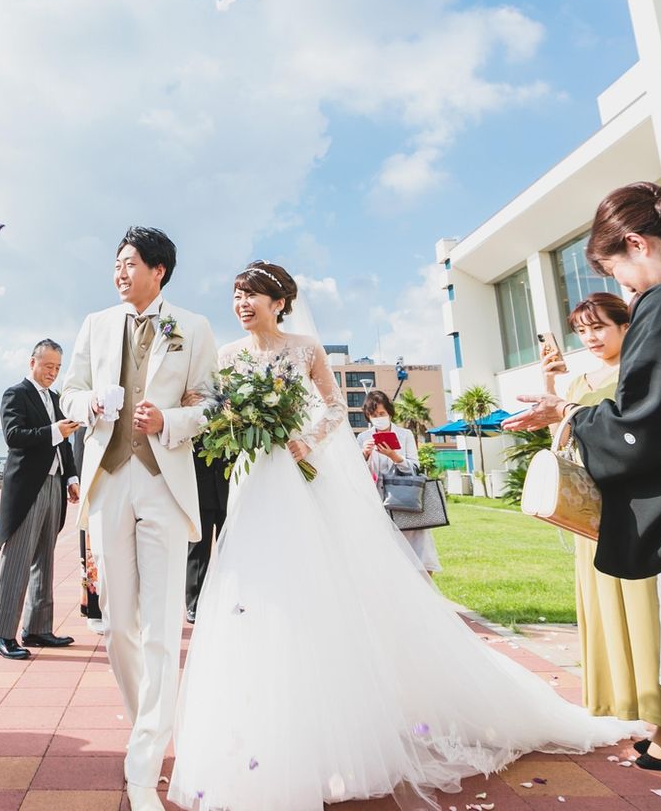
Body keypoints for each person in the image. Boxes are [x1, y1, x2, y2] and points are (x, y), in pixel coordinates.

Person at [170, 261, 636, 811]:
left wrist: (305, 440)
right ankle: (257, 730)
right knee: (253, 592)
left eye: (252, 295)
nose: (242, 304)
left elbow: (334, 408)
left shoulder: (305, 349)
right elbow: (217, 409)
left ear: (279, 302)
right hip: (254, 482)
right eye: (236, 295)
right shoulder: (229, 356)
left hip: (301, 476)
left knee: (318, 586)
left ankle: (335, 725)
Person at [507, 183, 661, 804]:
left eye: (616, 272)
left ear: (638, 244)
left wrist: (575, 417)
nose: (626, 287)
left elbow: (651, 419)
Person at [60, 227, 217, 811]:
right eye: (117, 264)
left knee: (161, 624)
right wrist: (91, 403)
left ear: (159, 270)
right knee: (117, 623)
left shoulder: (193, 327)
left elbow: (212, 402)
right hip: (108, 479)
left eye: (129, 263)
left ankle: (143, 766)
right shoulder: (95, 324)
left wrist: (169, 421)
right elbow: (69, 393)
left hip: (164, 483)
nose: (120, 273)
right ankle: (146, 726)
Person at [539, 292, 661, 768]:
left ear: (626, 326)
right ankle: (654, 717)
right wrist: (551, 383)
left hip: (640, 512)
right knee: (614, 617)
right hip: (592, 514)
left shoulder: (640, 372)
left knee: (652, 617)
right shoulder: (580, 381)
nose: (590, 338)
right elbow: (562, 443)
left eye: (599, 327)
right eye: (582, 330)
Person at [0, 339, 80, 659]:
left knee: (45, 559)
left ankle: (38, 628)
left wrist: (71, 478)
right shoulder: (15, 394)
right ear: (32, 363)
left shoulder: (56, 399)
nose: (53, 372)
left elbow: (65, 444)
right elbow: (14, 437)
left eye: (57, 367)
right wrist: (55, 431)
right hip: (27, 489)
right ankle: (4, 635)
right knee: (16, 561)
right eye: (48, 366)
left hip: (55, 485)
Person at [360, 389, 441, 573]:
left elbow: (415, 467)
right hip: (379, 501)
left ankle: (424, 587)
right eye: (373, 415)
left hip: (407, 498)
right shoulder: (363, 437)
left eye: (381, 413)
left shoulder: (405, 435)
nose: (378, 418)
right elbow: (358, 473)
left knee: (420, 548)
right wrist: (364, 454)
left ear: (389, 413)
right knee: (387, 550)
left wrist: (394, 456)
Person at [185, 438, 228, 623]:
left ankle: (229, 598)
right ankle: (194, 603)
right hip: (200, 484)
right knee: (198, 548)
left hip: (228, 481)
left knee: (230, 547)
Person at [70, 421, 104, 634]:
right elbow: (81, 438)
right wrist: (77, 480)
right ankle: (94, 610)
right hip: (94, 476)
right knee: (92, 548)